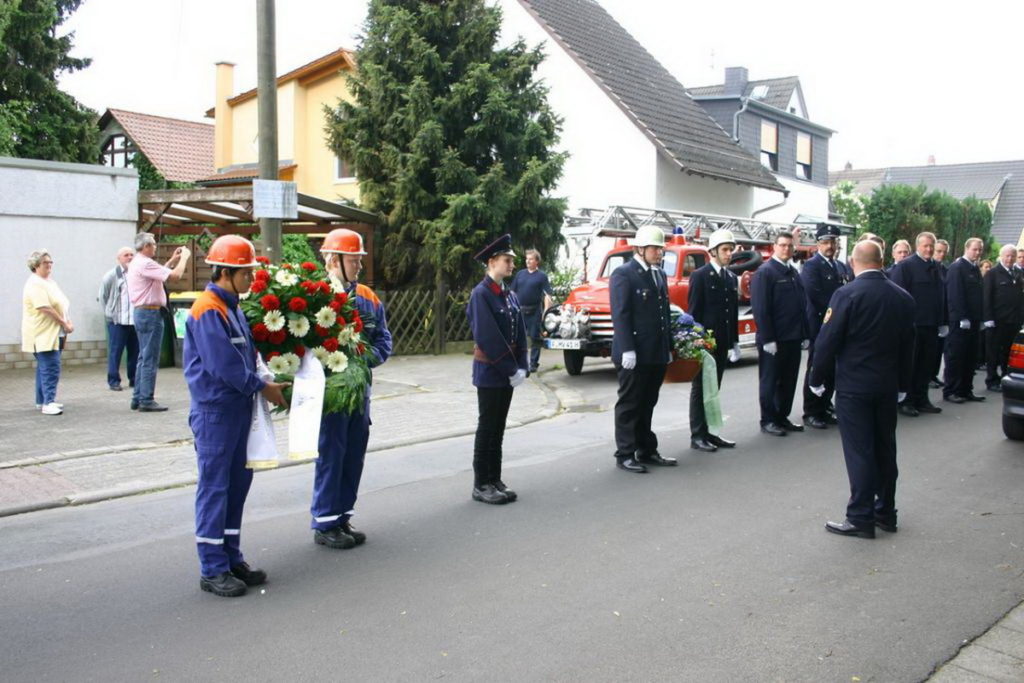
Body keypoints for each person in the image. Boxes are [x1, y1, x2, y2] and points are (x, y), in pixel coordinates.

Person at [184, 235, 289, 597]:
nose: (252, 278)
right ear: (225, 272)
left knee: (236, 486)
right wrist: (263, 387)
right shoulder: (208, 309)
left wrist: (265, 377)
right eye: (246, 272)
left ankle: (230, 557)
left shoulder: (232, 307)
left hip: (236, 409)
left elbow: (247, 357)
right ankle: (212, 568)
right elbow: (224, 365)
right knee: (215, 488)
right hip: (216, 412)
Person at [809, 240, 915, 538]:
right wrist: (904, 384)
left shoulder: (846, 294)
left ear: (853, 263)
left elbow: (827, 341)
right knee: (885, 448)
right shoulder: (903, 297)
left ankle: (860, 517)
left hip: (855, 386)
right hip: (887, 385)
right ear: (882, 262)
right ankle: (886, 512)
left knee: (860, 452)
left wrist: (817, 379)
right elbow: (909, 346)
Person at [312, 228, 393, 544]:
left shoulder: (367, 297)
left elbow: (383, 338)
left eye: (360, 259)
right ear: (334, 260)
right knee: (331, 456)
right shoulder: (316, 295)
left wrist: (363, 361)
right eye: (353, 260)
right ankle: (324, 523)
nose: (359, 265)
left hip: (359, 393)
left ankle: (342, 517)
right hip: (330, 395)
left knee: (353, 455)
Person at [466, 233, 529, 502]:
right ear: (492, 262)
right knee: (488, 427)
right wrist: (509, 368)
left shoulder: (509, 294)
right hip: (491, 372)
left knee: (499, 427)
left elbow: (520, 332)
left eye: (512, 261)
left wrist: (523, 365)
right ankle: (481, 484)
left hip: (507, 371)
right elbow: (488, 336)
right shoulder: (481, 294)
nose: (512, 265)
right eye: (507, 260)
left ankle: (494, 478)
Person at [610, 225, 673, 472]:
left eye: (660, 248)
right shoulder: (624, 274)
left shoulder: (659, 274)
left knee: (648, 402)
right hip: (634, 352)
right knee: (630, 404)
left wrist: (668, 347)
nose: (659, 253)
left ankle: (646, 449)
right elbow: (621, 313)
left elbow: (664, 314)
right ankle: (625, 453)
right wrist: (627, 348)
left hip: (655, 351)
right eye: (655, 248)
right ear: (640, 249)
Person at [751, 232, 809, 436]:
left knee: (788, 380)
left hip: (792, 337)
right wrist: (767, 338)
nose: (786, 249)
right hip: (774, 339)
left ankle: (782, 416)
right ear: (774, 246)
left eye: (790, 246)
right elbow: (761, 308)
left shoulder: (792, 272)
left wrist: (804, 333)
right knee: (770, 380)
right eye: (782, 245)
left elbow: (801, 305)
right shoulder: (765, 272)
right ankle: (768, 419)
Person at [687, 229, 740, 452]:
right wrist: (696, 342)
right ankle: (698, 434)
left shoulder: (730, 277)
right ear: (713, 252)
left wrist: (734, 341)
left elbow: (732, 312)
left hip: (723, 341)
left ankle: (711, 432)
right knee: (701, 388)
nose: (729, 254)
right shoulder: (700, 276)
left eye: (730, 250)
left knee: (714, 389)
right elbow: (694, 312)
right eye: (725, 249)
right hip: (706, 343)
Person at [126, 232, 190, 412]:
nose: (155, 247)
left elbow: (159, 273)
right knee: (150, 358)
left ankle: (138, 397)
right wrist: (184, 258)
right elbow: (175, 276)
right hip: (150, 313)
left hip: (141, 312)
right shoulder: (145, 263)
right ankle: (146, 399)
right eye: (153, 244)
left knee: (143, 356)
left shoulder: (138, 262)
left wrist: (172, 260)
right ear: (146, 246)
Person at [889, 232, 946, 417]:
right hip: (912, 325)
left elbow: (941, 296)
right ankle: (906, 401)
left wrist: (942, 321)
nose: (929, 249)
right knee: (910, 365)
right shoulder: (906, 266)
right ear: (917, 246)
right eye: (925, 246)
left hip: (931, 324)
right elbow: (898, 296)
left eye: (931, 246)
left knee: (926, 365)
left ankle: (922, 398)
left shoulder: (937, 266)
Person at [801, 224, 851, 429]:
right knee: (817, 367)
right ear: (818, 244)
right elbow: (816, 296)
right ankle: (811, 411)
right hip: (820, 325)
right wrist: (839, 314)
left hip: (838, 325)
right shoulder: (811, 266)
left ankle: (825, 405)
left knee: (832, 369)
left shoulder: (840, 266)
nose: (830, 246)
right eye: (825, 242)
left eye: (833, 242)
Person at [22, 249, 72, 415]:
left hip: (54, 332)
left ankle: (42, 400)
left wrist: (68, 321)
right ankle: (48, 402)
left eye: (50, 262)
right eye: (45, 262)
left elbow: (61, 304)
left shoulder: (49, 282)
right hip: (42, 333)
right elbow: (44, 307)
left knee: (44, 367)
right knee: (51, 368)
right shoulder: (35, 283)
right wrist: (64, 323)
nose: (49, 265)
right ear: (36, 265)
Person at [943, 238, 986, 403]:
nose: (977, 252)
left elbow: (978, 295)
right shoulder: (957, 267)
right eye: (975, 249)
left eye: (980, 250)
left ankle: (966, 389)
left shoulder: (974, 268)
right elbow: (955, 294)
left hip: (974, 320)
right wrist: (962, 316)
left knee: (970, 357)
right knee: (956, 356)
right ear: (966, 248)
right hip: (960, 321)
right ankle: (951, 390)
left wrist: (981, 318)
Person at [983, 245, 1024, 391]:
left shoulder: (1018, 273)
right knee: (993, 352)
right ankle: (992, 380)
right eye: (1007, 255)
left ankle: (1006, 378)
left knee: (1009, 352)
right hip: (997, 320)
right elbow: (987, 297)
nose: (1010, 259)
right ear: (1001, 256)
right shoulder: (992, 273)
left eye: (1012, 256)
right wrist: (988, 318)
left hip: (1014, 320)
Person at [98, 247, 138, 392]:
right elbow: (103, 297)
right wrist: (109, 314)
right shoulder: (111, 275)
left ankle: (134, 379)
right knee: (115, 352)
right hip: (117, 322)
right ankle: (114, 381)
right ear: (119, 258)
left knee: (135, 352)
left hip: (134, 321)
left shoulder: (137, 274)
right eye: (126, 255)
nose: (130, 257)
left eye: (132, 255)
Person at [509, 249, 553, 373]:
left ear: (537, 261)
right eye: (527, 259)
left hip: (535, 312)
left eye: (531, 259)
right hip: (520, 311)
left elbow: (547, 295)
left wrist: (546, 312)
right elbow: (512, 292)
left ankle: (533, 364)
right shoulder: (520, 274)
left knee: (535, 338)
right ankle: (520, 362)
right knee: (517, 338)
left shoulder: (542, 276)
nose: (527, 261)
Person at [930, 239, 951, 388]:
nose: (941, 254)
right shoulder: (930, 268)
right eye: (938, 251)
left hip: (941, 316)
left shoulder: (945, 270)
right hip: (930, 316)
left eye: (944, 252)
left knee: (938, 349)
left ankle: (933, 374)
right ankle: (927, 376)